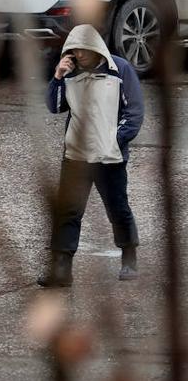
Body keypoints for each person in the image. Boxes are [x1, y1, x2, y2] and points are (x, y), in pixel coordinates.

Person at [39, 24, 144, 287]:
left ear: (95, 47)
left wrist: (112, 141)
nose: (77, 54)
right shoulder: (70, 73)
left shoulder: (120, 70)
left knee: (117, 208)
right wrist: (58, 76)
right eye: (73, 49)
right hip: (75, 156)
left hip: (109, 157)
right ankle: (62, 269)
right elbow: (55, 106)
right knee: (68, 212)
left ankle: (129, 257)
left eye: (82, 49)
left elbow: (134, 115)